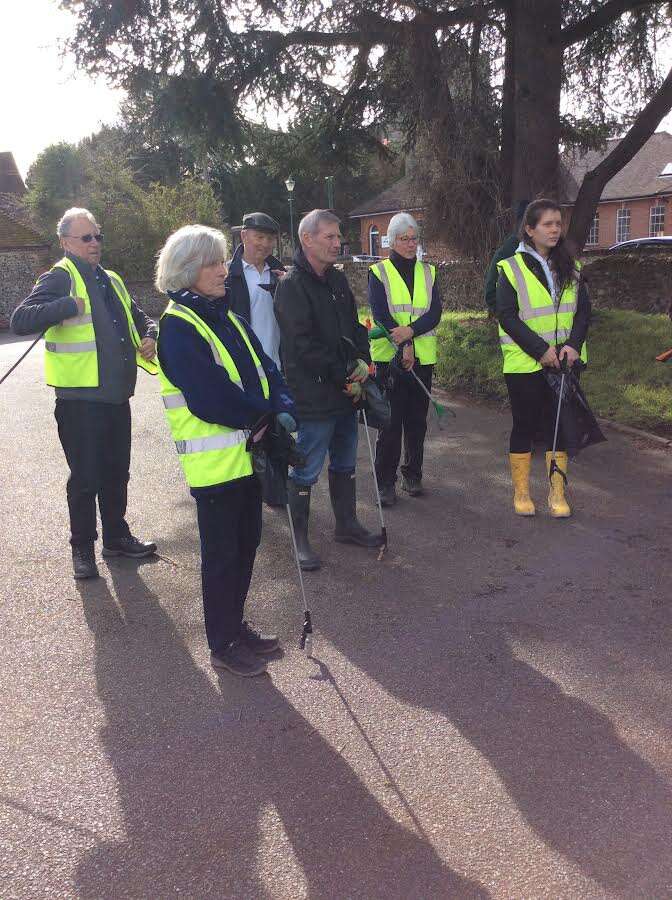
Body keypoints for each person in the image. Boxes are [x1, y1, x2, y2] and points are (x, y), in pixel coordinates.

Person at [155, 224, 297, 677]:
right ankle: (222, 642)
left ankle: (236, 626)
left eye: (221, 261)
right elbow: (210, 397)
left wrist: (282, 404)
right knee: (222, 556)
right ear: (188, 270)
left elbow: (266, 367)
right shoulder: (178, 327)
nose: (223, 270)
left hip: (245, 459)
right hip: (215, 466)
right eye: (214, 263)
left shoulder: (226, 315)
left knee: (247, 544)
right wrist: (264, 418)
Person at [10, 207, 158, 579]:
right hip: (79, 402)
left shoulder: (112, 279)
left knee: (116, 472)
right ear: (65, 242)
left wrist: (150, 335)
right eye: (86, 237)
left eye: (98, 236)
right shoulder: (61, 277)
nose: (95, 243)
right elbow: (20, 319)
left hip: (116, 397)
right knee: (85, 476)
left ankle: (116, 538)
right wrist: (64, 307)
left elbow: (141, 316)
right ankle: (82, 549)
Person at [274, 209, 382, 571]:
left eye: (339, 237)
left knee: (346, 460)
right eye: (330, 237)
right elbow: (301, 346)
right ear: (307, 239)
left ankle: (346, 525)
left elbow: (353, 327)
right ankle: (300, 539)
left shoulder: (337, 281)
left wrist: (363, 361)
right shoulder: (291, 286)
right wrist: (344, 375)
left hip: (345, 392)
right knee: (305, 468)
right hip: (314, 394)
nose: (338, 243)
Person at [495, 198, 591, 518]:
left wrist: (573, 345)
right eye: (547, 224)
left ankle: (557, 492)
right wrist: (541, 350)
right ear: (529, 229)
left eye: (558, 223)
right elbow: (507, 316)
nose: (555, 229)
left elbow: (583, 311)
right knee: (524, 425)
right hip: (525, 363)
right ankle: (522, 492)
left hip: (564, 361)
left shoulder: (571, 265)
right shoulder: (510, 267)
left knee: (558, 426)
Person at [368, 212, 442, 507]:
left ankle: (413, 473)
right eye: (404, 239)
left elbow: (435, 313)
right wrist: (405, 343)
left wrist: (410, 333)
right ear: (391, 241)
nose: (410, 244)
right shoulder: (378, 272)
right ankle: (385, 483)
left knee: (416, 422)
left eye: (414, 239)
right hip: (390, 360)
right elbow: (381, 315)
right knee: (390, 423)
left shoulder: (430, 272)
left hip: (422, 360)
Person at [225, 212, 285, 368]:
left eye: (270, 239)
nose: (265, 244)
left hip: (278, 367)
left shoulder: (282, 275)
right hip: (244, 368)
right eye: (259, 237)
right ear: (244, 236)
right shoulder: (226, 276)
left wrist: (291, 288)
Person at [484, 200, 529, 315]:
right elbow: (490, 293)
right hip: (516, 329)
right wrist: (509, 318)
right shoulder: (508, 252)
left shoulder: (550, 255)